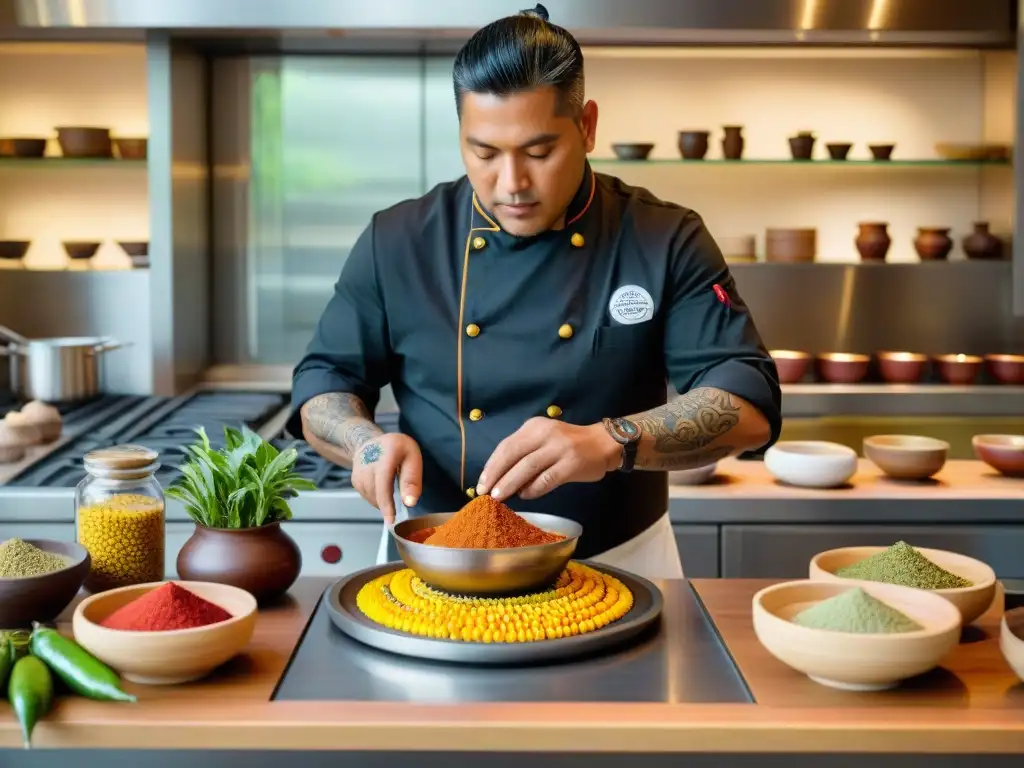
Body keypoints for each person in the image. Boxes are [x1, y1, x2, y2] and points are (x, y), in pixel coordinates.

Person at [288, 5, 782, 580]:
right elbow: (324, 384)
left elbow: (747, 404)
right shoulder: (397, 241)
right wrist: (364, 443)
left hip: (619, 560)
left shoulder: (663, 237)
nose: (512, 183)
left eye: (539, 152)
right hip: (436, 562)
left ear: (588, 126)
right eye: (484, 152)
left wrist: (612, 440)